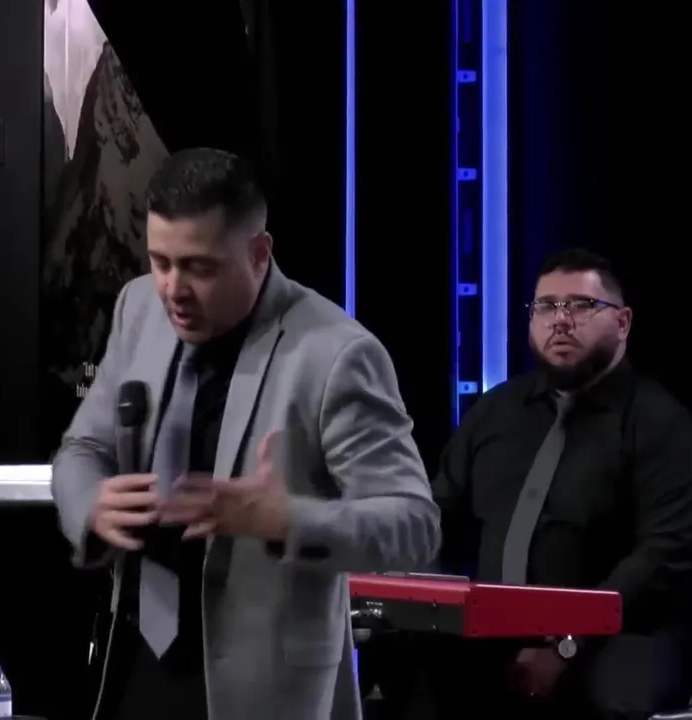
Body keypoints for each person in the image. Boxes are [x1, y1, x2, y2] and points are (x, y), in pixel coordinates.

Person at [50, 147, 440, 720]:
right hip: (134, 665)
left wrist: (288, 520)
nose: (173, 289)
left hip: (263, 690)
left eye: (199, 268)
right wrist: (90, 504)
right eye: (160, 261)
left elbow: (414, 524)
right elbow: (82, 449)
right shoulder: (138, 306)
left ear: (259, 255)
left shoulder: (336, 355)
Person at [382, 248, 692, 720]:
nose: (560, 320)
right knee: (406, 672)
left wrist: (567, 643)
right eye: (546, 306)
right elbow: (435, 514)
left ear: (622, 323)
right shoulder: (496, 412)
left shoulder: (660, 425)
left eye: (581, 305)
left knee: (617, 697)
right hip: (492, 629)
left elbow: (663, 556)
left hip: (618, 634)